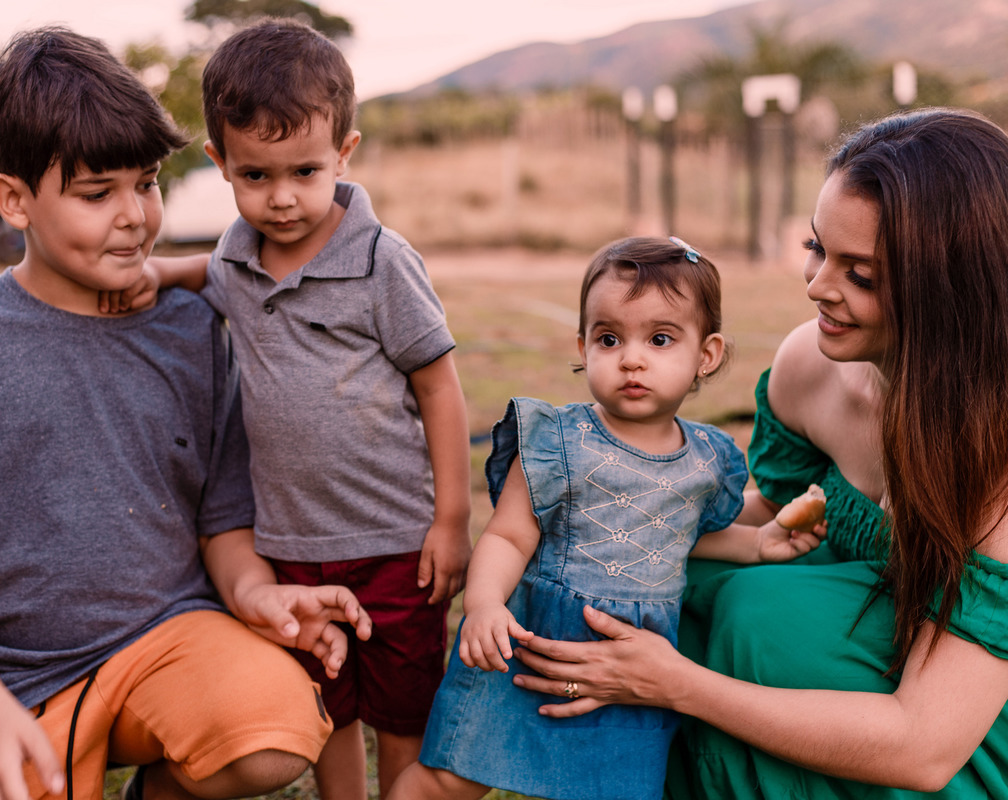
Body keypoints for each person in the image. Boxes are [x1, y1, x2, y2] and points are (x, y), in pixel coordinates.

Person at [0, 27, 373, 800]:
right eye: (97, 194)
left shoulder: (194, 331)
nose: (134, 216)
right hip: (15, 682)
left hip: (172, 641)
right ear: (13, 200)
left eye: (147, 183)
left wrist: (258, 597)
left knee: (270, 728)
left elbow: (221, 523)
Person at [511, 107, 1008, 799]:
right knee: (664, 575)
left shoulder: (997, 453)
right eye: (818, 249)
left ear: (948, 289)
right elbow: (767, 514)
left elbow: (924, 746)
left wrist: (680, 685)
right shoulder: (811, 363)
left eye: (860, 274)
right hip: (838, 634)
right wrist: (602, 517)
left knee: (759, 620)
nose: (817, 287)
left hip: (955, 728)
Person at [103, 17, 471, 800]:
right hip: (291, 544)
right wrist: (163, 273)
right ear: (219, 164)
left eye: (304, 171)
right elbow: (213, 270)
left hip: (396, 538)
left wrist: (449, 519)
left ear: (345, 153)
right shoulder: (238, 254)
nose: (281, 199)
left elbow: (439, 386)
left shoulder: (380, 261)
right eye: (256, 176)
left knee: (402, 708)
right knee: (324, 704)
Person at [386, 236, 824, 800]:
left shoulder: (708, 459)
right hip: (528, 642)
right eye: (609, 338)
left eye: (660, 339)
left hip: (634, 663)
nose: (631, 358)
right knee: (447, 780)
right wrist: (484, 604)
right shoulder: (556, 440)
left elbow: (679, 539)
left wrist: (759, 544)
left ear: (707, 354)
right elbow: (510, 534)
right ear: (583, 345)